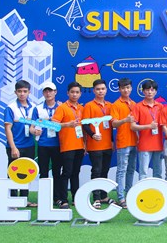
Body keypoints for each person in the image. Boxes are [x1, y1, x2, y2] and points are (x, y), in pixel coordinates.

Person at [4, 80, 37, 206]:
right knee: (13, 173)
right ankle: (12, 201)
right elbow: (8, 128)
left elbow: (34, 126)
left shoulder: (33, 107)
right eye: (19, 91)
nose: (22, 94)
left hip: (29, 146)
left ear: (29, 92)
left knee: (27, 173)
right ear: (15, 92)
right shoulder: (11, 107)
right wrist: (13, 147)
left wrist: (36, 131)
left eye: (25, 91)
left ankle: (24, 199)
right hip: (15, 146)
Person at [52, 82, 85, 209]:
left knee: (76, 173)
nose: (74, 94)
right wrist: (67, 124)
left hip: (79, 146)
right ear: (67, 93)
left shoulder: (82, 108)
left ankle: (76, 197)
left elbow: (84, 128)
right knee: (66, 173)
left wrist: (85, 145)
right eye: (72, 92)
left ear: (80, 94)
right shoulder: (62, 108)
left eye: (77, 92)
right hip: (67, 146)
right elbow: (53, 125)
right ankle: (63, 199)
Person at [82, 79, 114, 208]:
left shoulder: (110, 106)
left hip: (107, 145)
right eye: (98, 89)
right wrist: (92, 135)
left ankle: (104, 196)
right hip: (95, 145)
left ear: (106, 90)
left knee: (105, 171)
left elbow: (111, 126)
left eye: (103, 89)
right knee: (96, 171)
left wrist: (112, 141)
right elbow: (85, 124)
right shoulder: (89, 106)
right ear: (94, 91)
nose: (100, 91)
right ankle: (96, 198)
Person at [30, 81, 62, 205]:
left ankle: (57, 198)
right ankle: (44, 198)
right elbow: (32, 127)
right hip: (43, 145)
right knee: (43, 172)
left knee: (57, 172)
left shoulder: (61, 107)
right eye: (46, 91)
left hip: (58, 144)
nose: (48, 93)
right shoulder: (37, 109)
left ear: (55, 92)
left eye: (50, 91)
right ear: (43, 93)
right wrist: (34, 131)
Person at [111, 78, 138, 209]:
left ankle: (129, 195)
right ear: (119, 89)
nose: (125, 90)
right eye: (123, 88)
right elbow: (114, 123)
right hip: (123, 142)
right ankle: (121, 198)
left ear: (131, 88)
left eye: (127, 87)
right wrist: (125, 120)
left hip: (135, 142)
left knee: (131, 170)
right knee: (122, 170)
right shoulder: (116, 105)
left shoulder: (135, 104)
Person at [131, 79, 164, 180]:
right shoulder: (138, 106)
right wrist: (148, 126)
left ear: (156, 92)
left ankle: (157, 190)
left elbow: (164, 125)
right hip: (144, 144)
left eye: (152, 90)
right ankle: (143, 191)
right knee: (143, 173)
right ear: (143, 91)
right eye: (147, 90)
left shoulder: (160, 106)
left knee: (158, 173)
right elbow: (132, 126)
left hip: (158, 144)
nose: (150, 92)